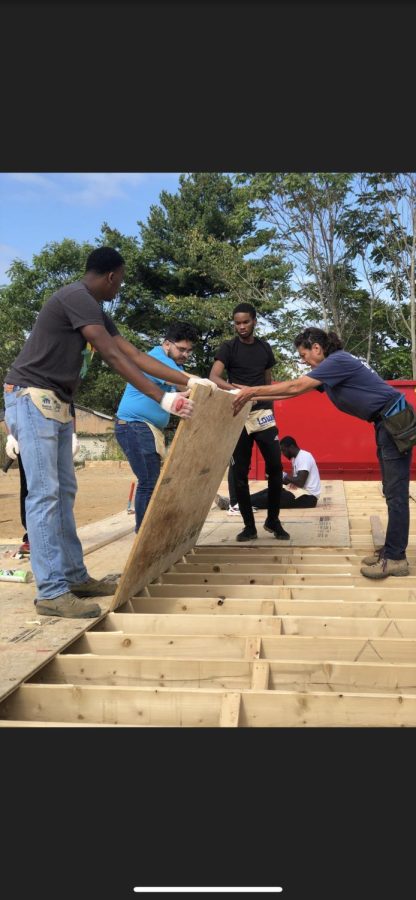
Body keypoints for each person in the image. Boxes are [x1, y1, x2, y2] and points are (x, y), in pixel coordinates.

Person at [4, 246, 216, 619]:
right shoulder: (76, 297)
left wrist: (189, 379)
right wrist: (163, 399)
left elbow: (134, 355)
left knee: (63, 491)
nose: (120, 289)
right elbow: (113, 357)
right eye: (121, 281)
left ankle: (74, 577)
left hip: (55, 402)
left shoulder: (94, 309)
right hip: (32, 397)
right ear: (112, 276)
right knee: (44, 495)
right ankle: (52, 592)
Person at [232, 326, 412, 579]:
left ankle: (396, 558)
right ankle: (392, 550)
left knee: (396, 493)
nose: (304, 361)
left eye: (304, 355)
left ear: (317, 348)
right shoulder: (330, 370)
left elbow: (295, 387)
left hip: (394, 420)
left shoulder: (336, 361)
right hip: (386, 422)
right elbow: (291, 390)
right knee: (391, 490)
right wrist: (251, 391)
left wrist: (253, 391)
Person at [210, 301, 289, 542]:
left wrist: (266, 402)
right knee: (240, 473)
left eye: (245, 322)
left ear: (254, 321)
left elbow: (268, 383)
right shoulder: (228, 348)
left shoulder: (265, 348)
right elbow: (213, 376)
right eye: (237, 323)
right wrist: (240, 390)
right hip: (238, 415)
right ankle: (248, 526)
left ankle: (273, 521)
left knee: (275, 468)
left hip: (263, 415)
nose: (241, 327)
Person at [115, 321, 200, 533]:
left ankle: (147, 532)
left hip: (143, 428)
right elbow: (187, 383)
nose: (185, 355)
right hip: (135, 426)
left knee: (151, 481)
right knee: (148, 482)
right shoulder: (157, 359)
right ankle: (144, 534)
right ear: (166, 344)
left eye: (189, 351)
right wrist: (215, 387)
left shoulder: (172, 365)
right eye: (181, 349)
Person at [5, 405, 79, 555]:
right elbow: (10, 406)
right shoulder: (20, 382)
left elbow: (69, 405)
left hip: (58, 430)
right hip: (27, 434)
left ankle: (59, 536)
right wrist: (11, 435)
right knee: (32, 489)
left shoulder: (61, 382)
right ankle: (33, 537)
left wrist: (73, 434)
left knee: (64, 487)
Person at [215, 436, 321, 511]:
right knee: (269, 490)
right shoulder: (296, 458)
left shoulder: (304, 457)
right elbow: (294, 481)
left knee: (269, 498)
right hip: (299, 494)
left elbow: (300, 482)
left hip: (307, 498)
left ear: (291, 447)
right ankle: (237, 502)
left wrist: (283, 475)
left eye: (284, 451)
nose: (283, 454)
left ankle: (237, 504)